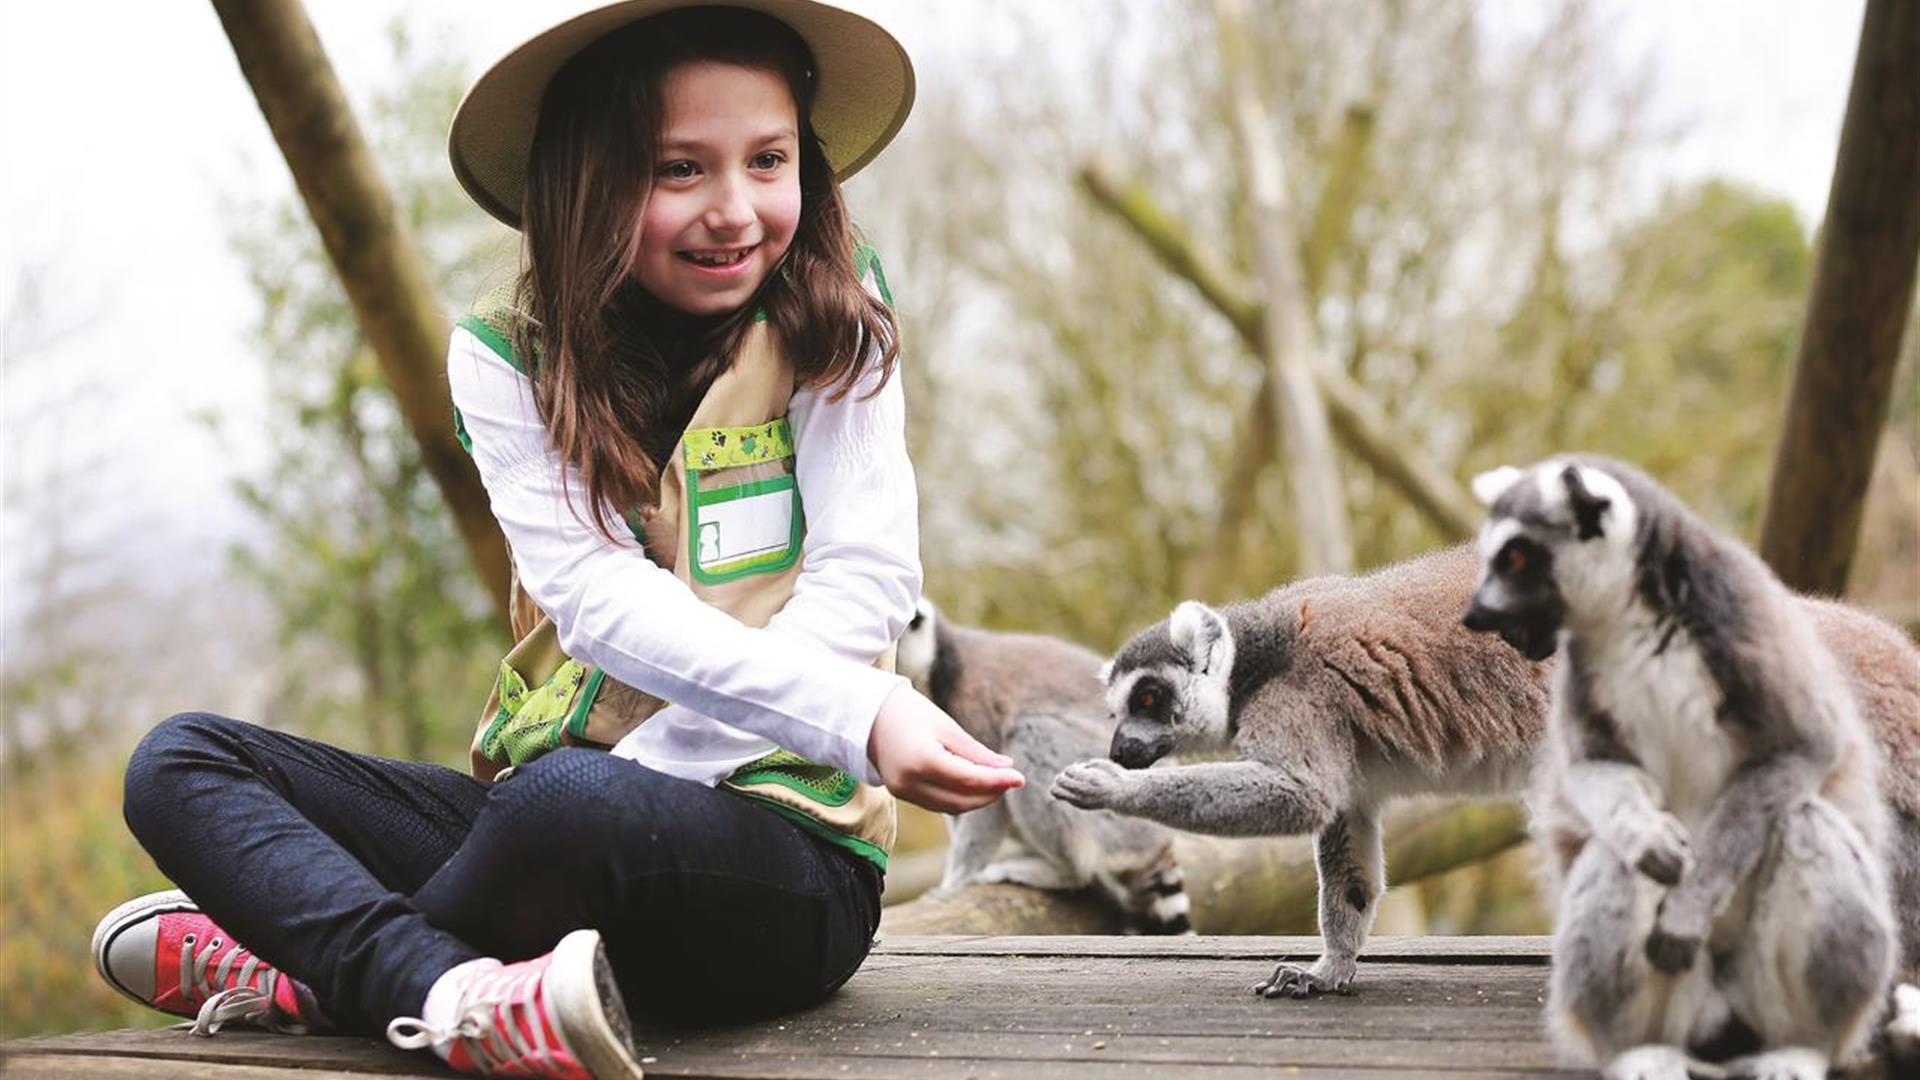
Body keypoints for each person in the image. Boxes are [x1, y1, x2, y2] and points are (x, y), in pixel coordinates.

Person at [91, 4, 1023, 1077]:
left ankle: (325, 970)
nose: (736, 210)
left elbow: (865, 577)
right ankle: (443, 989)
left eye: (768, 160)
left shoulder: (837, 307)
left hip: (779, 862)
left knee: (571, 805)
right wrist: (860, 708)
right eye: (680, 168)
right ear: (590, 178)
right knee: (180, 760)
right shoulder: (503, 357)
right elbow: (593, 599)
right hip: (545, 827)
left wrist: (807, 723)